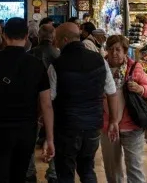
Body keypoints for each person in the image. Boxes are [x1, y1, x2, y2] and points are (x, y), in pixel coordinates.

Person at [0, 18, 55, 182]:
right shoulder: (36, 64)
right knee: (19, 175)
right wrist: (49, 139)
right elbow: (46, 105)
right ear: (27, 36)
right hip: (25, 129)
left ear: (4, 35)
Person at [50, 22, 119, 182]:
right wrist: (114, 120)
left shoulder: (56, 66)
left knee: (65, 172)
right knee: (87, 169)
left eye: (57, 39)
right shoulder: (100, 60)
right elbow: (112, 92)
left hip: (66, 127)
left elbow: (49, 99)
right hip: (93, 126)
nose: (55, 43)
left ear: (65, 40)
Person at [101, 35, 147, 183]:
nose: (114, 53)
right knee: (112, 169)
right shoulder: (100, 67)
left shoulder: (135, 67)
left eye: (118, 49)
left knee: (134, 167)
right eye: (110, 49)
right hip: (107, 126)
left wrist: (140, 88)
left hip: (132, 126)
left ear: (125, 52)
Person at [27, 23, 60, 183]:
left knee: (30, 140)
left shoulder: (31, 54)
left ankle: (30, 173)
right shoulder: (59, 55)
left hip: (33, 103)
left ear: (39, 36)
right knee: (54, 137)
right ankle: (53, 172)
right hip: (55, 102)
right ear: (53, 37)